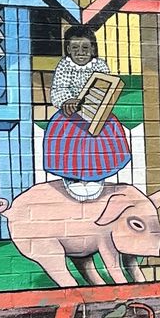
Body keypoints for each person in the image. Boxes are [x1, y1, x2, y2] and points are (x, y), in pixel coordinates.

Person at [41, 27, 131, 200]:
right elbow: (59, 89)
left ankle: (97, 175)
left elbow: (105, 87)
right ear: (68, 49)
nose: (80, 53)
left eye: (85, 48)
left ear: (93, 49)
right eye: (75, 48)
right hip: (71, 114)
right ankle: (72, 175)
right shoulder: (65, 66)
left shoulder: (99, 65)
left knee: (100, 139)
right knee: (69, 140)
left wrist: (98, 104)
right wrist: (67, 101)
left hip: (95, 111)